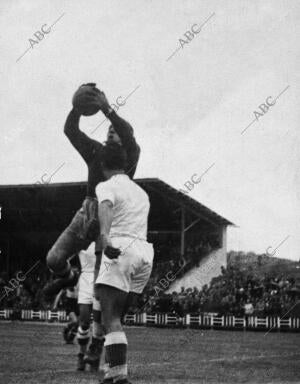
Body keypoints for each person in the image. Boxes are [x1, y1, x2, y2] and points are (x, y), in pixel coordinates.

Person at [43, 84, 140, 298]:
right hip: (86, 214)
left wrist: (107, 110)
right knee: (54, 259)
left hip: (111, 219)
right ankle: (69, 278)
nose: (112, 129)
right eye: (109, 129)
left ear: (126, 137)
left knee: (99, 285)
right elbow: (70, 130)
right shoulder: (96, 151)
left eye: (116, 129)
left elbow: (125, 131)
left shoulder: (131, 155)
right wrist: (78, 107)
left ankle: (98, 328)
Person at [94, 142, 154, 384]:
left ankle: (119, 377)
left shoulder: (105, 185)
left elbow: (106, 206)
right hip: (144, 253)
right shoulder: (141, 192)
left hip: (120, 249)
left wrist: (105, 237)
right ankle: (113, 372)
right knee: (117, 316)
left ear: (103, 164)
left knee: (110, 318)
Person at [76, 242, 104, 372]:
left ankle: (95, 357)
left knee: (99, 322)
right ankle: (81, 354)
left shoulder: (105, 237)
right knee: (85, 320)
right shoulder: (80, 238)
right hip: (86, 280)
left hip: (102, 278)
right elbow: (64, 255)